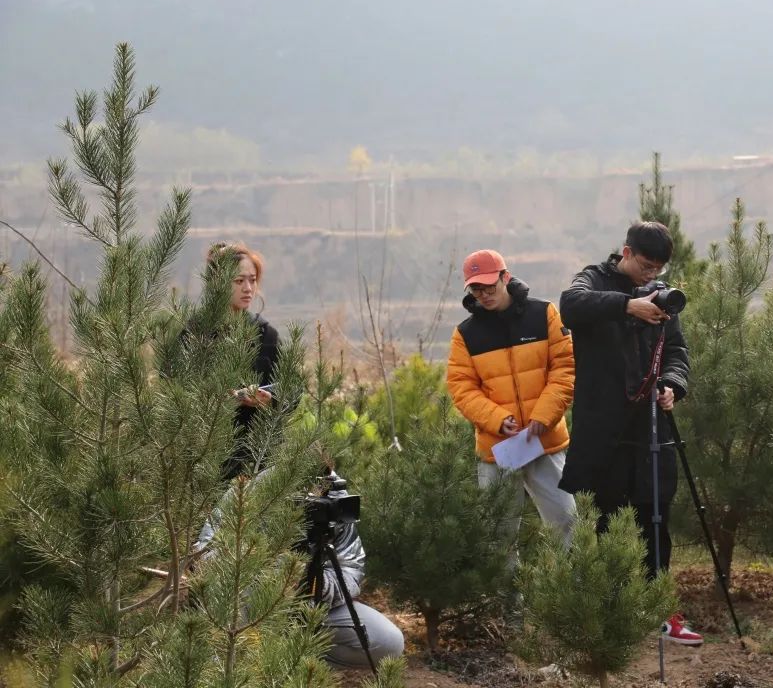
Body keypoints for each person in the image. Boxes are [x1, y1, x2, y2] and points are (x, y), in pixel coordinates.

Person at [557, 221, 702, 647]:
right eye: (645, 265)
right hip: (604, 431)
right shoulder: (594, 280)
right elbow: (571, 306)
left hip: (650, 430)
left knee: (655, 518)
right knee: (605, 519)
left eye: (658, 268)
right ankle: (608, 614)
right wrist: (628, 306)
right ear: (626, 252)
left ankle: (660, 612)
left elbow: (677, 351)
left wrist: (672, 385)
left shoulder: (661, 294)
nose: (650, 274)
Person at [194, 473, 405, 669]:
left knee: (388, 641)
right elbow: (207, 555)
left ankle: (294, 665)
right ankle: (235, 670)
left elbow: (350, 566)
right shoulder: (253, 488)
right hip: (246, 605)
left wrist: (317, 584)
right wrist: (266, 568)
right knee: (229, 623)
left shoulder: (333, 495)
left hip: (310, 606)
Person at [446, 249, 577, 547]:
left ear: (505, 277)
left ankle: (571, 578)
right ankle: (508, 583)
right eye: (476, 289)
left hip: (544, 440)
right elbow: (461, 387)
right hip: (498, 449)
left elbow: (565, 368)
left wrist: (543, 416)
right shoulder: (465, 334)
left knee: (567, 522)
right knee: (498, 536)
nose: (483, 295)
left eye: (489, 286)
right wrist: (497, 419)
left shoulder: (544, 314)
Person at [205, 241, 280, 479]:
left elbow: (292, 388)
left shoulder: (267, 335)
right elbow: (177, 390)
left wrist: (270, 398)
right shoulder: (197, 334)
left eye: (252, 280)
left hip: (257, 460)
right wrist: (230, 398)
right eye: (238, 281)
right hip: (207, 461)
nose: (248, 288)